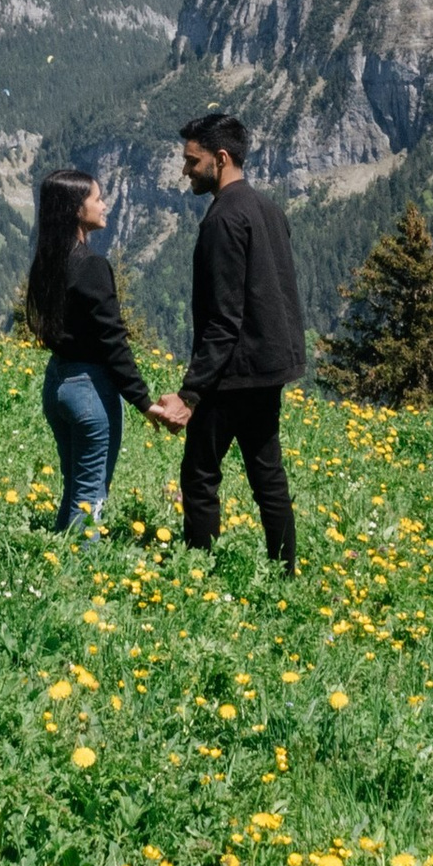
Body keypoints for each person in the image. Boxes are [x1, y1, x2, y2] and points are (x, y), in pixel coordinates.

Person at [147, 111, 304, 571]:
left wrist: (191, 394)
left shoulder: (223, 219)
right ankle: (285, 573)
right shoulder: (268, 209)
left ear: (220, 158)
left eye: (192, 161)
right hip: (269, 368)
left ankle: (197, 570)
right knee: (268, 476)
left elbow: (223, 319)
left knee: (199, 474)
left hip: (232, 372)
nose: (185, 171)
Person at [24, 166, 156, 539]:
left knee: (74, 486)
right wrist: (144, 402)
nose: (104, 204)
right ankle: (82, 566)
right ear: (76, 209)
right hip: (90, 390)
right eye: (97, 198)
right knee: (91, 495)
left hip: (57, 384)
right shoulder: (92, 266)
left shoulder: (48, 261)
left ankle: (56, 557)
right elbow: (113, 341)